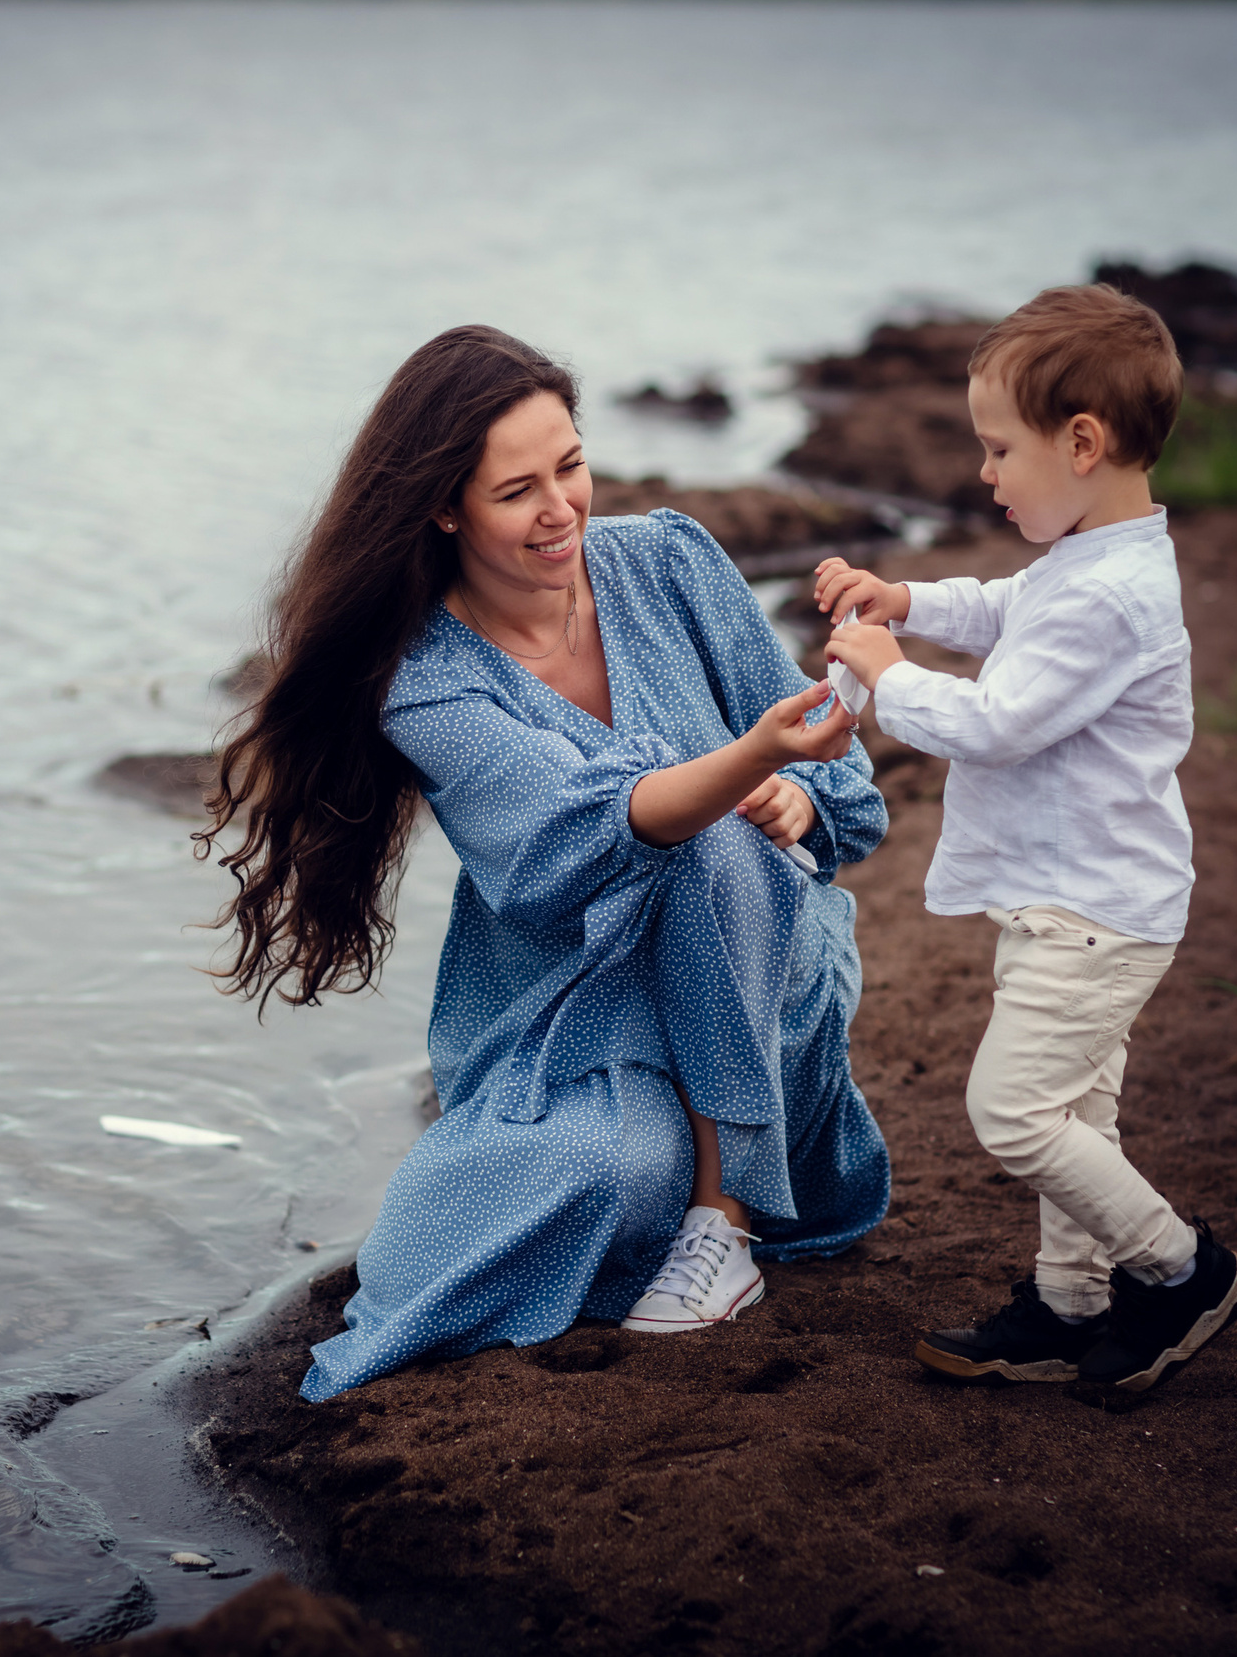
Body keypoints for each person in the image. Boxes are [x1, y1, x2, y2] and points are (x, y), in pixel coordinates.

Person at [200, 326, 890, 1402]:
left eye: (570, 466)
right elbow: (582, 833)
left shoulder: (667, 560)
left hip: (762, 982)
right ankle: (664, 1201)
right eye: (517, 489)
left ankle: (726, 1218)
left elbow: (850, 795)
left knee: (715, 835)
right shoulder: (426, 682)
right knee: (593, 1178)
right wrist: (749, 752)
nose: (562, 507)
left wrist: (797, 793)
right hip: (580, 1015)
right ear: (445, 507)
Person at [818, 284, 1237, 1394]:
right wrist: (905, 597)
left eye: (997, 448)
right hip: (1070, 894)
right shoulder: (1087, 559)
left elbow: (999, 724)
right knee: (1074, 1112)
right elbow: (1006, 609)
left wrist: (886, 678)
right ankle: (1072, 1304)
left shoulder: (1113, 596)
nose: (984, 472)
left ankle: (1180, 1268)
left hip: (1095, 910)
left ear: (1081, 442)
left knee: (1012, 1113)